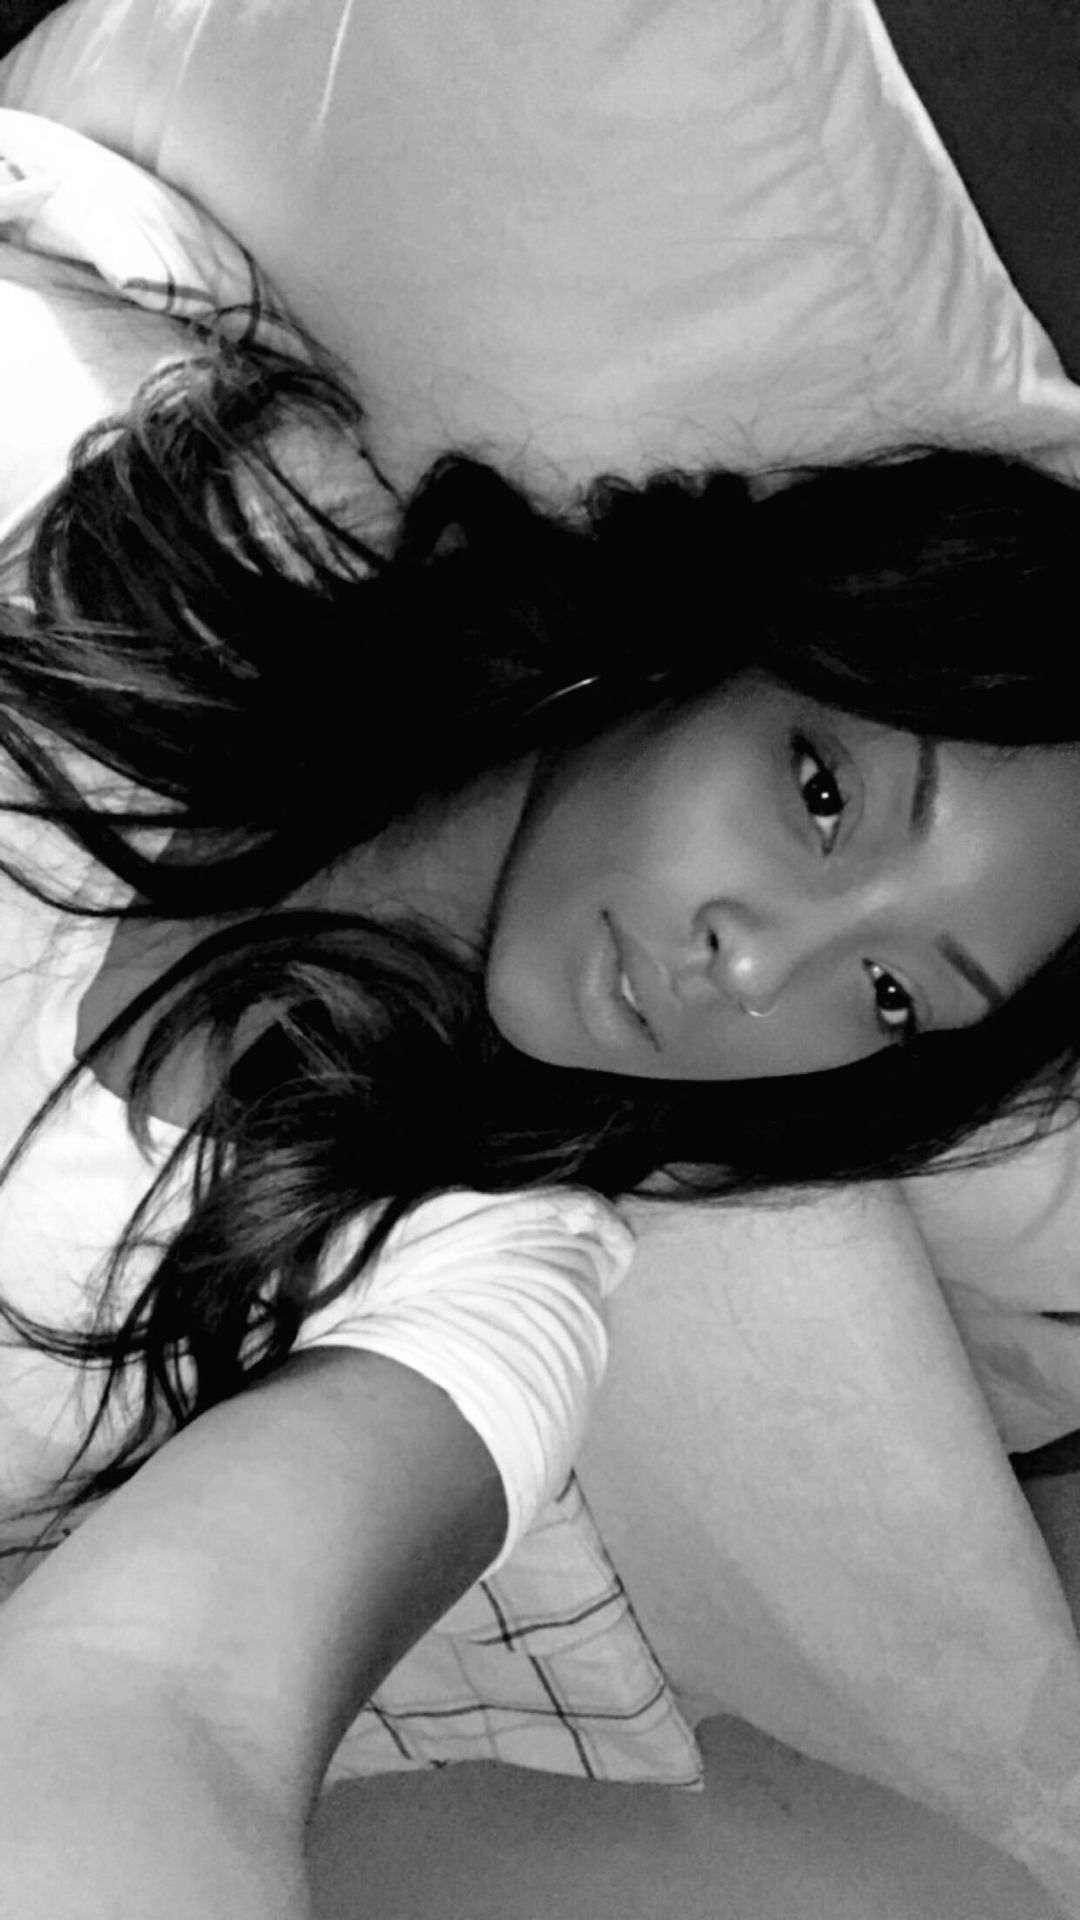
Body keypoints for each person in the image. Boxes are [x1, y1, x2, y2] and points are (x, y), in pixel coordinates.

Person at [0, 315, 1079, 1914]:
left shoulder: (479, 1290)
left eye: (894, 993)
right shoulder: (145, 564)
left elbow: (174, 1699)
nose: (759, 969)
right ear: (712, 644)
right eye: (822, 796)